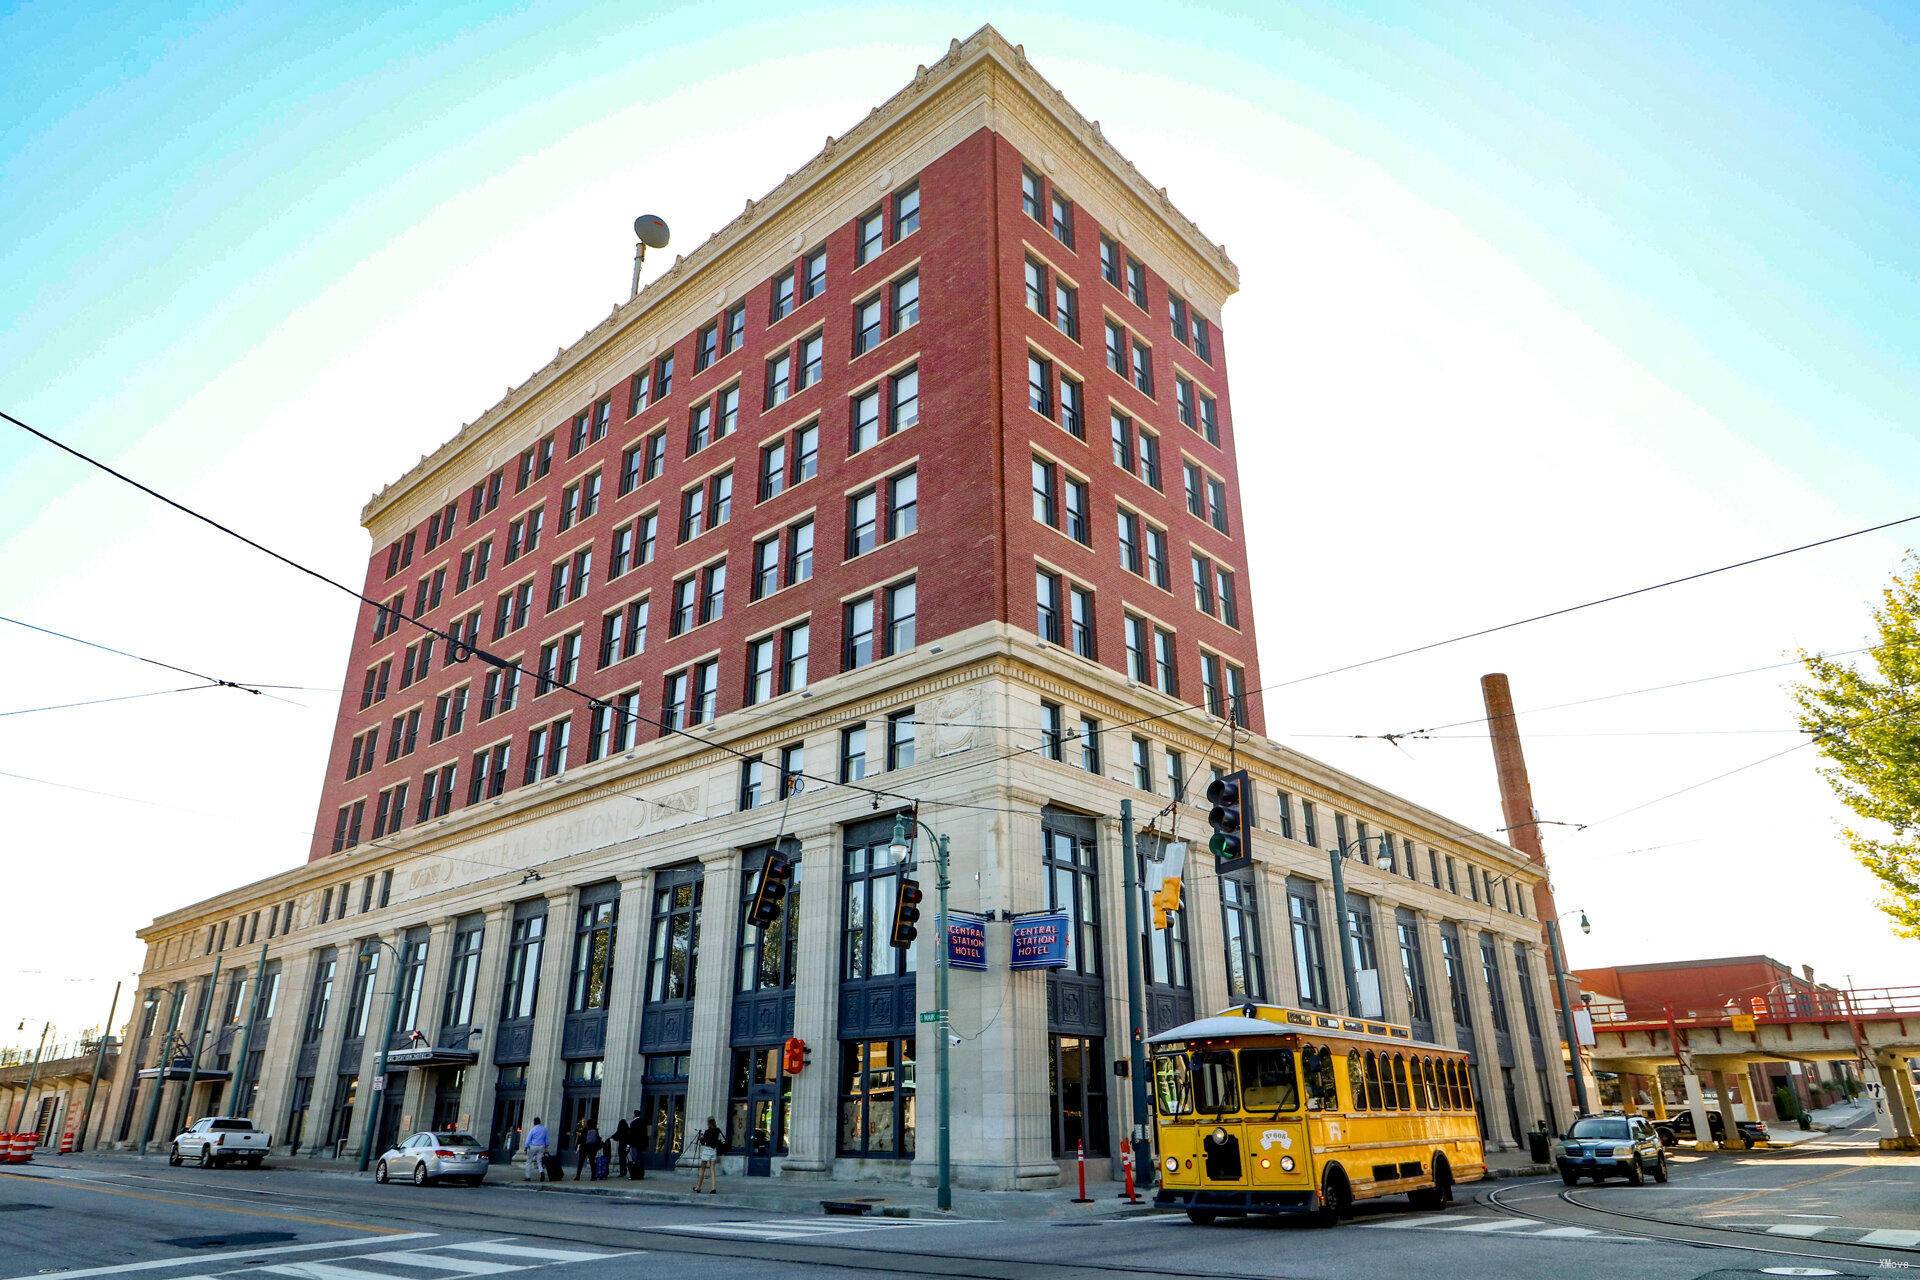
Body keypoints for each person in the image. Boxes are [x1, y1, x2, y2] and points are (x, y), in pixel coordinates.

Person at [692, 1116, 725, 1194]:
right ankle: (713, 1188)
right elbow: (720, 1140)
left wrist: (701, 1137)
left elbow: (703, 1142)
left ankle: (698, 1187)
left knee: (702, 1169)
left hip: (707, 1151)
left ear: (708, 1123)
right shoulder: (718, 1130)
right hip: (714, 1151)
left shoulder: (707, 1131)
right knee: (712, 1170)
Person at [523, 1117, 549, 1182]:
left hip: (533, 1146)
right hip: (541, 1147)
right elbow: (547, 1140)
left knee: (529, 1161)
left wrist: (526, 1147)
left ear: (534, 1122)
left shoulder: (533, 1129)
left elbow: (528, 1139)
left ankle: (528, 1177)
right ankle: (541, 1171)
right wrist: (546, 1147)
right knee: (539, 1161)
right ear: (540, 1122)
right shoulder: (544, 1129)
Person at [609, 1114, 631, 1178]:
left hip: (622, 1146)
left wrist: (611, 1137)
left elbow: (615, 1137)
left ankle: (622, 1171)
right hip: (627, 1146)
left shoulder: (620, 1130)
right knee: (626, 1157)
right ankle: (625, 1169)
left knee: (622, 1159)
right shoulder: (628, 1129)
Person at [625, 1109, 645, 1180]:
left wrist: (628, 1144)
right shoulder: (643, 1122)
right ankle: (641, 1174)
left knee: (635, 1160)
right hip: (641, 1144)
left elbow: (631, 1135)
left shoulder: (633, 1123)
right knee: (640, 1159)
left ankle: (635, 1175)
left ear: (634, 1114)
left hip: (634, 1144)